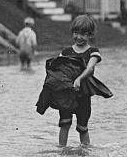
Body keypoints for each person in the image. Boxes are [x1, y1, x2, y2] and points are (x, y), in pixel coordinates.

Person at [36, 14, 111, 147]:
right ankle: (61, 152)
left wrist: (79, 78)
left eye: (83, 34)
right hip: (66, 95)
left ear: (90, 35)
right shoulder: (66, 51)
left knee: (83, 127)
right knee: (64, 124)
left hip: (83, 95)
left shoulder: (93, 51)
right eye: (76, 33)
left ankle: (86, 154)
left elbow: (89, 67)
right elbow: (57, 70)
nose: (79, 37)